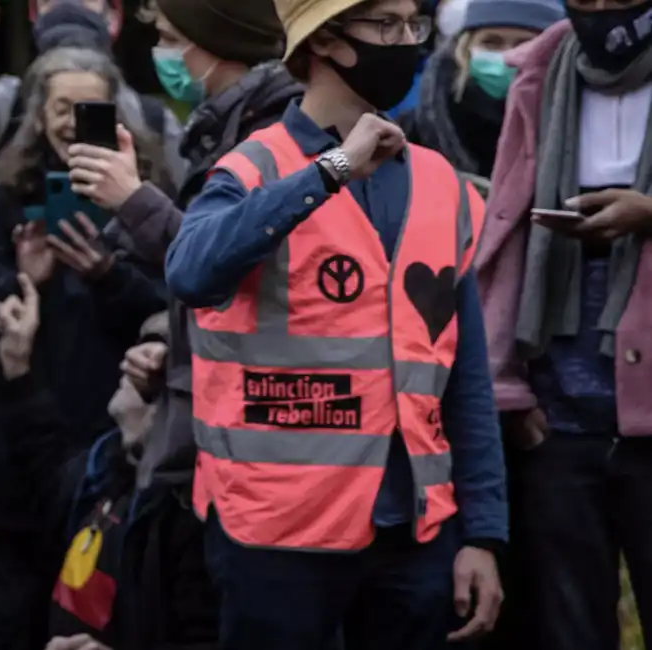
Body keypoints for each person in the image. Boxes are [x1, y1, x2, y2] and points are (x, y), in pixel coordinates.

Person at [164, 0, 507, 647]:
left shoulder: (443, 186)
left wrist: (483, 532)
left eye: (415, 25)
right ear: (325, 41)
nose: (407, 42)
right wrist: (332, 172)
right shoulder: (251, 170)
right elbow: (190, 272)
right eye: (387, 26)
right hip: (274, 535)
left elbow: (465, 380)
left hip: (412, 534)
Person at [0, 46, 171, 650]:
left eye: (88, 108)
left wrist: (106, 275)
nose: (72, 122)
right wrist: (21, 280)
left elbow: (171, 310)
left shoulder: (144, 201)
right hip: (17, 453)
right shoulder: (7, 199)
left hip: (109, 456)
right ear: (39, 115)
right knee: (5, 621)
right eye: (61, 107)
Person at [66, 0, 302, 490]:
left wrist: (133, 198)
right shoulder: (219, 124)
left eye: (173, 39)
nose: (161, 53)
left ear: (221, 42)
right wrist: (167, 341)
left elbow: (221, 261)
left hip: (244, 418)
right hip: (200, 388)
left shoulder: (268, 134)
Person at [476, 2, 652, 647]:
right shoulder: (545, 67)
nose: (602, 10)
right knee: (566, 625)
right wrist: (509, 385)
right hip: (559, 407)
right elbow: (505, 231)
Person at [0, 274, 216, 650]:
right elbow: (44, 461)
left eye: (158, 361)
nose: (134, 363)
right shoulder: (107, 471)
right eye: (141, 348)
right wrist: (17, 366)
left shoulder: (186, 516)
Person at [0, 0, 185, 186]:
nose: (67, 5)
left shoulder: (153, 122)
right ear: (34, 13)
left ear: (112, 16)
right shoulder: (11, 106)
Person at [400, 0, 562, 183]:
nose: (507, 56)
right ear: (465, 48)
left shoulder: (577, 126)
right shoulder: (415, 130)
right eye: (491, 42)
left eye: (524, 43)